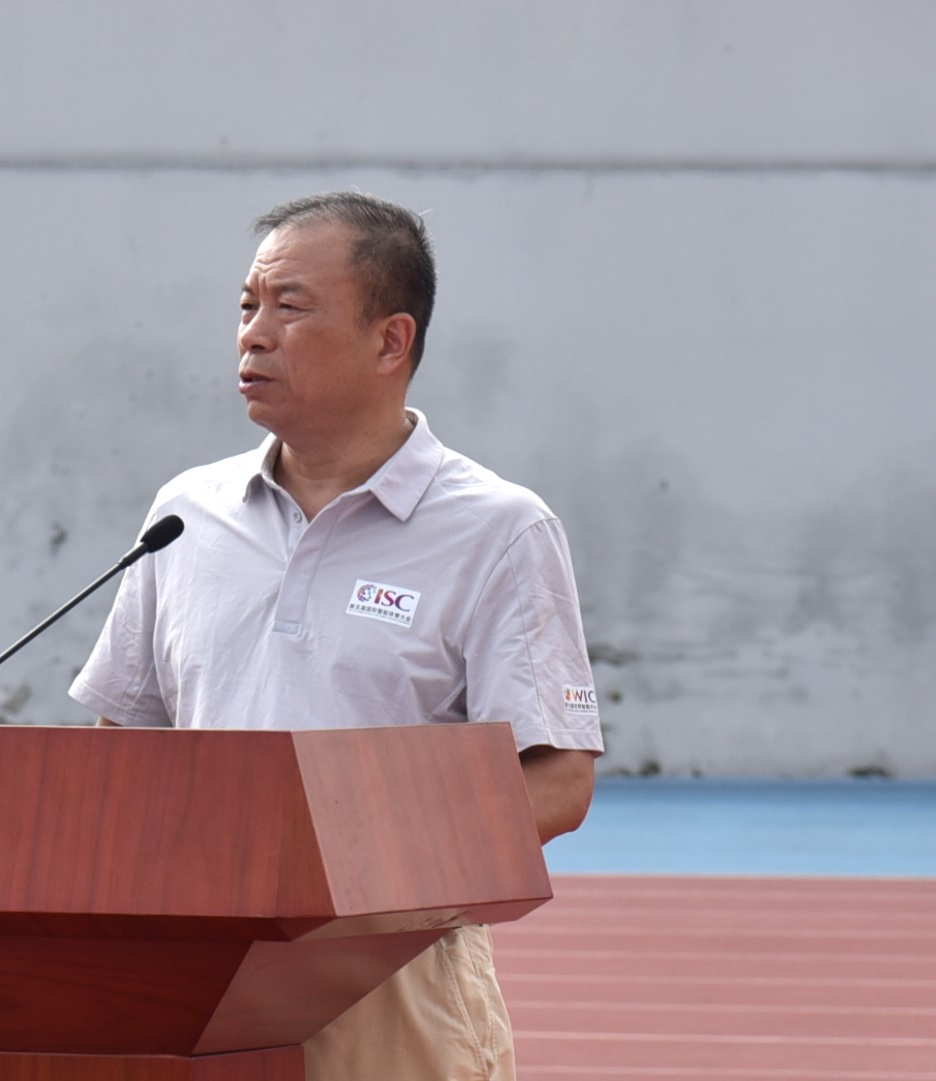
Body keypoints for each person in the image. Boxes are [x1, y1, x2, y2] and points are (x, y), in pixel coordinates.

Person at [69, 191, 604, 1080]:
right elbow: (124, 746)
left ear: (391, 340)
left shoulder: (499, 529)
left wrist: (352, 858)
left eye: (290, 306)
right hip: (193, 970)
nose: (253, 334)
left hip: (387, 976)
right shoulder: (184, 516)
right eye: (247, 305)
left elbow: (557, 781)